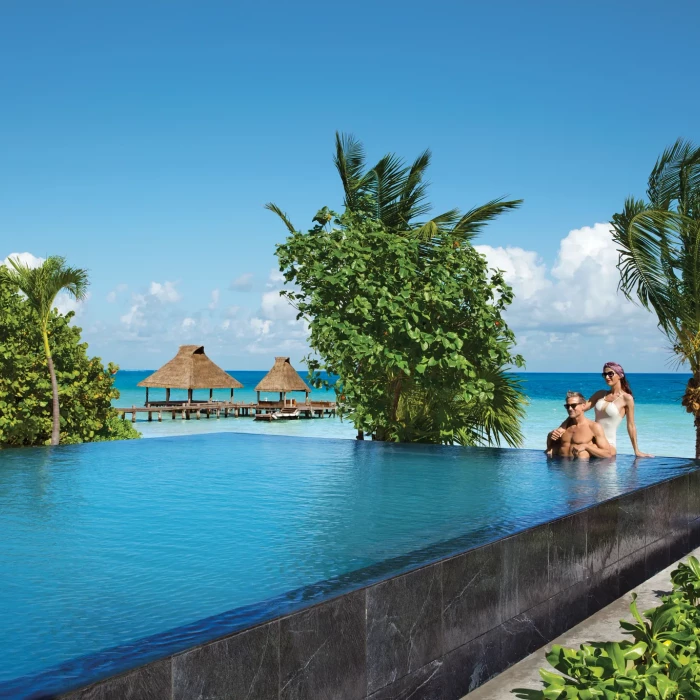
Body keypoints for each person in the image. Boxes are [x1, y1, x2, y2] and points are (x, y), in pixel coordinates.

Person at [549, 362, 652, 458]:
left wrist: (636, 451)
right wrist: (562, 427)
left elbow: (631, 425)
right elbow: (578, 409)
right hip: (592, 439)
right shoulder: (600, 394)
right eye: (604, 374)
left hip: (608, 443)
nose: (607, 377)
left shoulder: (627, 398)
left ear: (620, 375)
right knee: (559, 450)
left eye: (610, 374)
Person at [546, 391, 613, 459]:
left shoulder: (593, 427)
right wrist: (550, 436)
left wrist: (586, 446)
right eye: (567, 406)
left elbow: (607, 454)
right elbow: (550, 449)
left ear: (583, 406)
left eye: (573, 405)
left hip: (581, 466)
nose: (570, 409)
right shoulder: (564, 427)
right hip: (560, 466)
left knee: (583, 454)